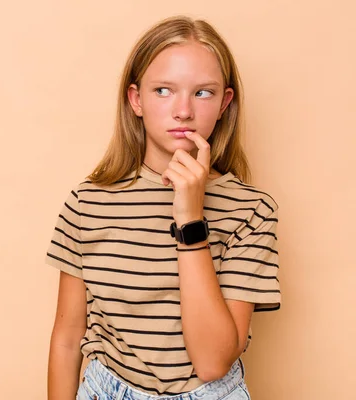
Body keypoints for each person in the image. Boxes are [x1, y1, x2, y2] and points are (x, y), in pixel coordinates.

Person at [45, 15, 281, 400]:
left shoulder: (252, 211)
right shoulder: (87, 202)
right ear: (135, 100)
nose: (183, 110)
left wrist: (190, 219)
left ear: (224, 103)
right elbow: (68, 339)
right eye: (163, 91)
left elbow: (212, 362)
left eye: (202, 92)